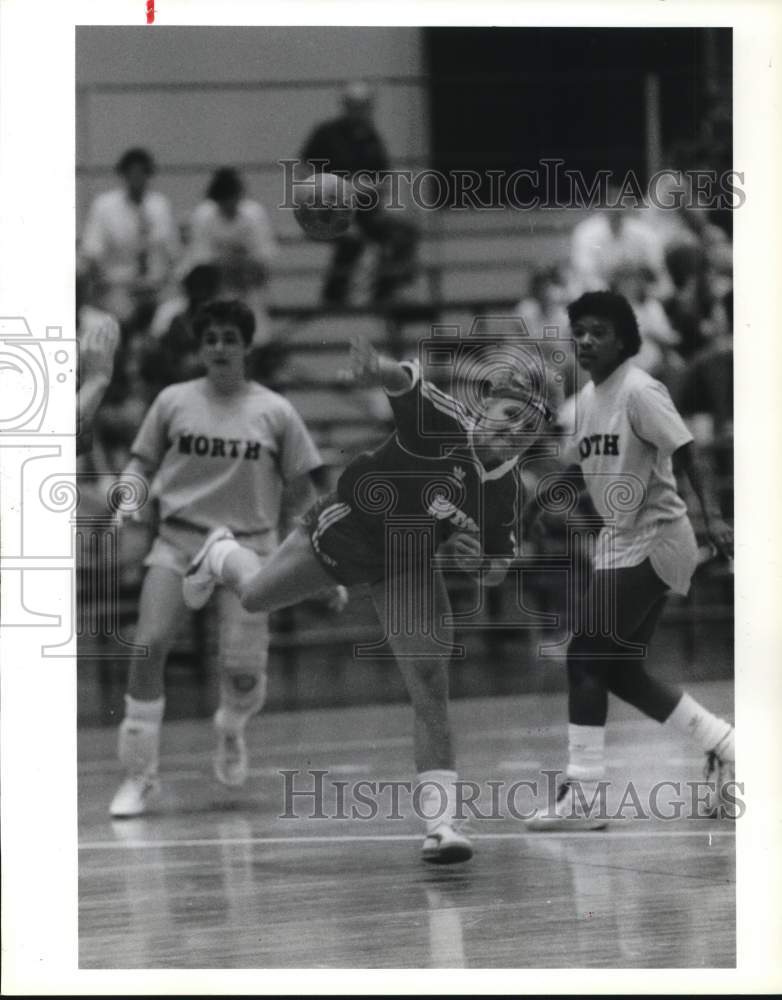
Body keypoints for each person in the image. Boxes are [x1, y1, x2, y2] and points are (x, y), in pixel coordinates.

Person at [181, 335, 558, 863]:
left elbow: (497, 567)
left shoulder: (507, 491)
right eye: (509, 414)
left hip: (404, 564)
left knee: (430, 683)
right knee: (254, 597)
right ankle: (221, 552)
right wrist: (376, 366)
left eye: (529, 428)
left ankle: (442, 824)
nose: (514, 430)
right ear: (487, 406)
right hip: (342, 533)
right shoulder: (444, 425)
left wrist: (480, 565)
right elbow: (404, 383)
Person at [525, 291, 735, 830]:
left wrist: (711, 518)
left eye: (599, 331)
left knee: (583, 655)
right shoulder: (588, 402)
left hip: (659, 538)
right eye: (580, 332)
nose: (587, 340)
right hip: (621, 544)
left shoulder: (640, 390)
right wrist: (529, 507)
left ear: (623, 339)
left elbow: (688, 452)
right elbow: (575, 469)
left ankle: (586, 793)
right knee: (617, 669)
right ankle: (726, 744)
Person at [109, 299, 327, 819]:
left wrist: (324, 557)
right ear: (200, 348)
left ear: (246, 345)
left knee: (244, 670)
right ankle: (140, 778)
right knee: (148, 645)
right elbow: (141, 462)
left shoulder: (275, 411)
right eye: (211, 340)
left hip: (251, 548)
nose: (220, 348)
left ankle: (231, 725)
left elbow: (302, 495)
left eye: (230, 338)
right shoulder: (173, 401)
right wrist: (129, 494)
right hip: (181, 541)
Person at [299, 81, 419, 305]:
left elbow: (384, 179)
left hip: (365, 211)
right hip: (328, 210)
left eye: (365, 105)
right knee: (351, 237)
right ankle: (334, 294)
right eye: (355, 105)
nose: (361, 110)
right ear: (345, 106)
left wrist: (366, 188)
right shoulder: (326, 134)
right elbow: (304, 172)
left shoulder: (372, 137)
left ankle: (385, 291)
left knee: (404, 232)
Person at [80, 147, 180, 331]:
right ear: (123, 175)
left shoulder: (160, 205)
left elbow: (173, 251)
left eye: (142, 173)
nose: (137, 179)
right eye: (132, 173)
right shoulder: (104, 206)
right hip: (119, 287)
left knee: (169, 318)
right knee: (125, 318)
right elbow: (92, 250)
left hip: (155, 286)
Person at [182, 168, 277, 342]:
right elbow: (201, 264)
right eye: (223, 201)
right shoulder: (203, 216)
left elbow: (264, 260)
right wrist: (231, 263)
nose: (228, 205)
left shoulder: (254, 215)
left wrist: (235, 264)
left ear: (239, 195)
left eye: (232, 199)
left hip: (249, 291)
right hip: (214, 293)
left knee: (257, 337)